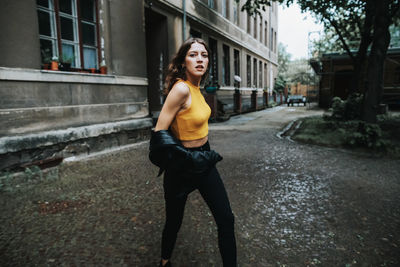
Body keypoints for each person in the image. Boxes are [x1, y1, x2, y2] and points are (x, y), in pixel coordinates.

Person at [149, 38, 237, 267]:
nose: (199, 59)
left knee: (226, 219)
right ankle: (165, 261)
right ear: (183, 61)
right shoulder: (181, 88)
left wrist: (200, 154)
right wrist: (183, 159)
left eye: (204, 55)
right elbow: (159, 132)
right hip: (182, 164)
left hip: (204, 160)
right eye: (193, 54)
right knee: (174, 221)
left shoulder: (199, 89)